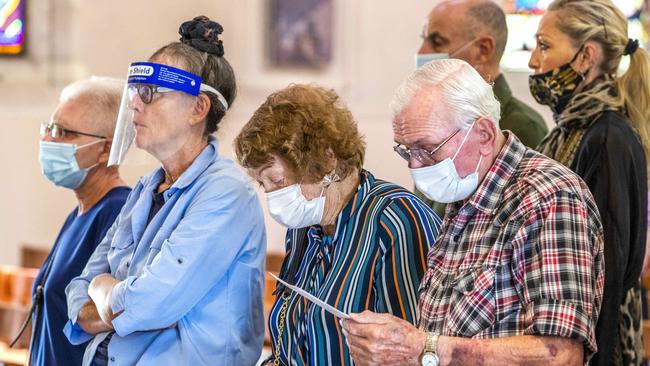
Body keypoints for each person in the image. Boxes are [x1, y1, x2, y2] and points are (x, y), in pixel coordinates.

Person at [342, 59, 604, 366]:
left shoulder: (547, 197)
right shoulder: (466, 193)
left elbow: (559, 354)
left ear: (483, 135)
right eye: (406, 151)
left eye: (427, 150)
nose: (415, 166)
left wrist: (422, 350)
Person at [63, 16, 266, 365]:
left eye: (150, 93)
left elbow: (151, 303)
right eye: (136, 92)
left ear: (198, 109)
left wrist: (109, 292)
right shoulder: (146, 188)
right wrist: (107, 295)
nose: (134, 105)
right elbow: (79, 289)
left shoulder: (226, 194)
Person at [234, 84, 441, 366]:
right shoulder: (306, 227)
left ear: (326, 158)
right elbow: (292, 342)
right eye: (263, 184)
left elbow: (408, 352)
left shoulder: (395, 219)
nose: (272, 196)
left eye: (278, 181)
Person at [528, 1, 650, 364]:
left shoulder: (607, 138)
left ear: (586, 57)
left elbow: (606, 278)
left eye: (544, 45)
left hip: (596, 346)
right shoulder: (569, 130)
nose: (534, 60)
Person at [24, 77, 131, 366]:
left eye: (64, 133)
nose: (49, 140)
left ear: (105, 150)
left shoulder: (118, 212)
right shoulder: (81, 210)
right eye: (49, 128)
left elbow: (117, 317)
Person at [415, 0, 548, 217]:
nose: (422, 52)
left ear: (483, 49)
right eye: (424, 39)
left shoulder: (521, 128)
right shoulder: (439, 122)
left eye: (437, 42)